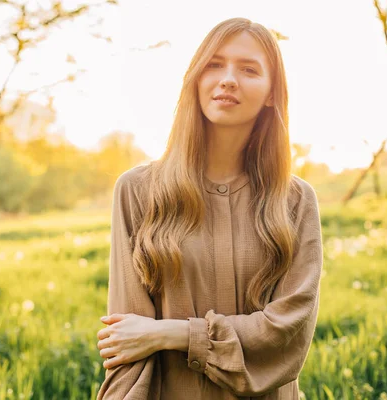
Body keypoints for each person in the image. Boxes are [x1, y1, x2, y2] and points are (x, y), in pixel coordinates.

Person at [95, 17, 323, 400]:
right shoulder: (136, 191)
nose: (229, 79)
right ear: (195, 79)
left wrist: (176, 333)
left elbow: (288, 332)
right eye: (214, 64)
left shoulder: (296, 201)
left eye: (249, 69)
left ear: (271, 92)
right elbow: (127, 341)